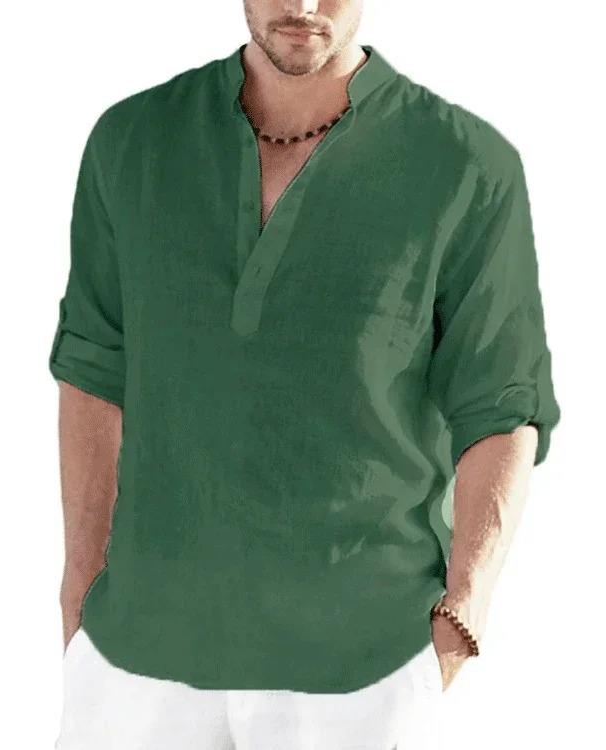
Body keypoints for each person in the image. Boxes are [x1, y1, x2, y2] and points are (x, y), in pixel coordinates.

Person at [49, 2, 561, 748]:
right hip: (134, 665)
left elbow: (503, 404)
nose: (302, 4)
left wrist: (463, 615)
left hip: (360, 669)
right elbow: (94, 367)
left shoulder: (465, 165)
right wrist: (79, 591)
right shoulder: (133, 142)